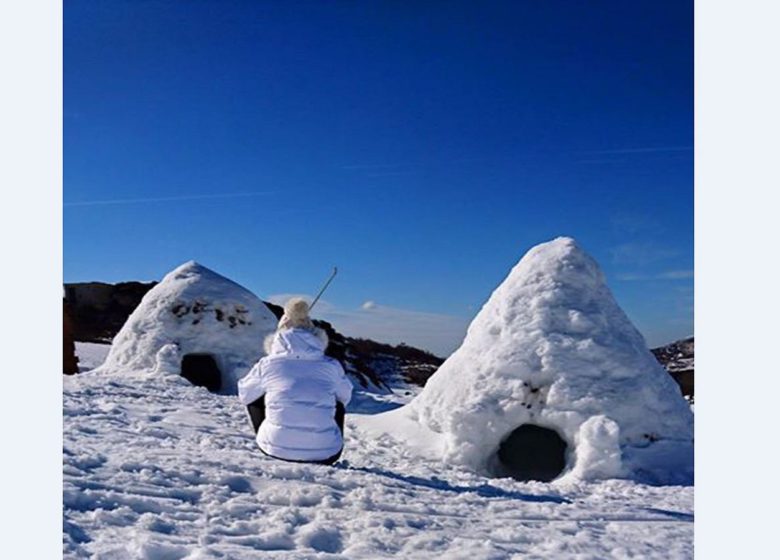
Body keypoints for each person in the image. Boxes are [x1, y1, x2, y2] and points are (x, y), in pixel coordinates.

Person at [238, 297, 352, 465]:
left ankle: (276, 441)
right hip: (327, 454)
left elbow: (245, 395)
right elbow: (345, 397)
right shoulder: (331, 365)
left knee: (255, 396)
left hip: (275, 451)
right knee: (337, 402)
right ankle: (321, 443)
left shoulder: (268, 364)